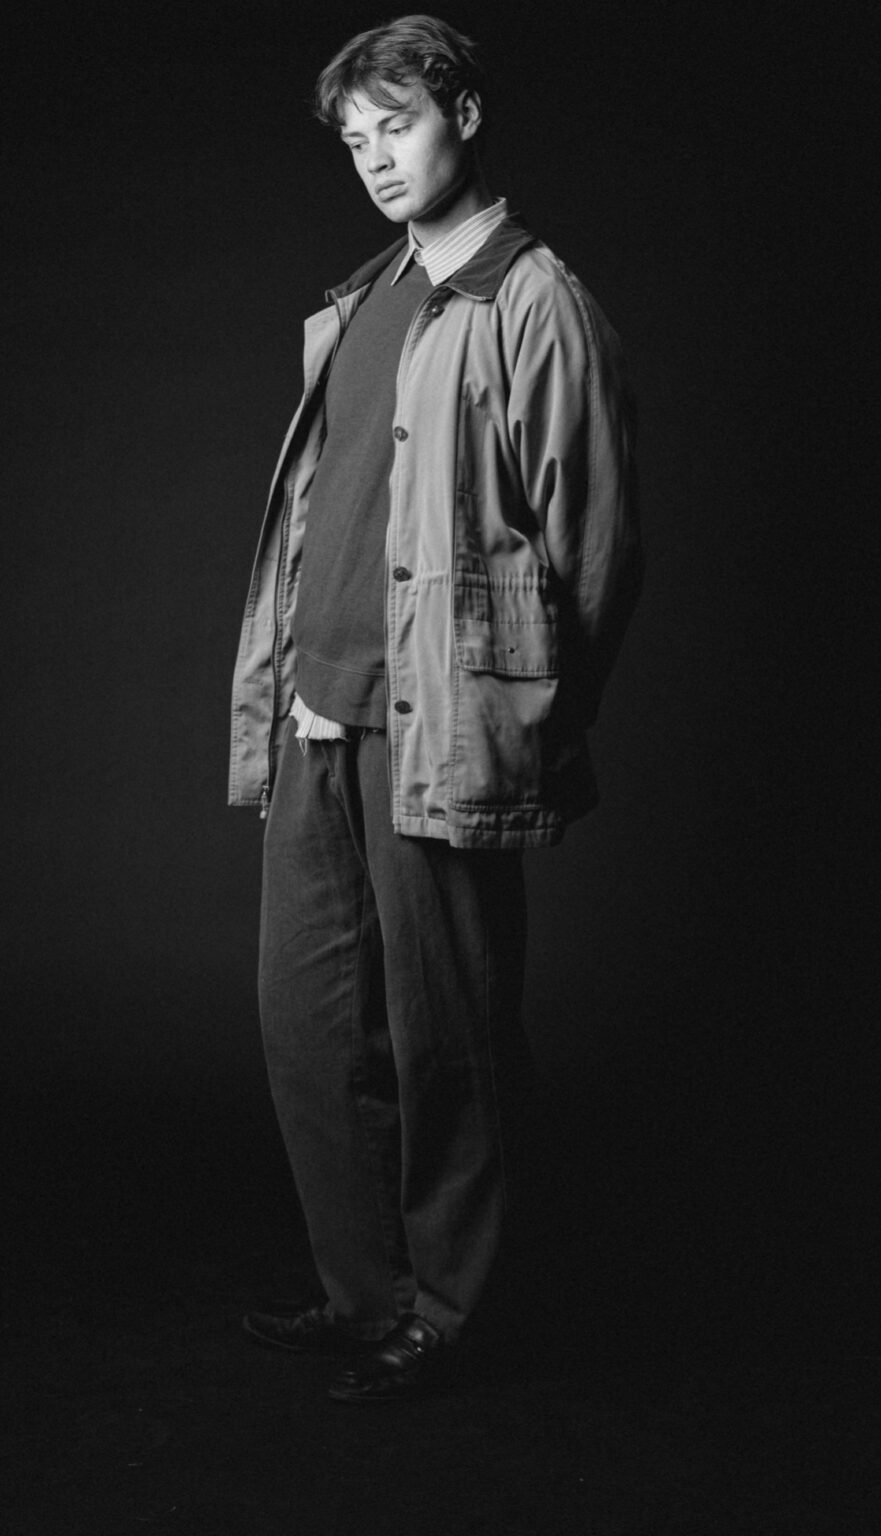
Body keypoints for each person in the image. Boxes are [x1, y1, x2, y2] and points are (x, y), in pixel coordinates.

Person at [229, 14, 641, 1402]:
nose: (375, 159)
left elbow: (595, 547)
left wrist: (514, 718)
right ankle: (366, 1294)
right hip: (318, 717)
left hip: (438, 729)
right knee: (310, 1028)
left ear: (460, 114)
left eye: (395, 125)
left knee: (447, 1038)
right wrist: (298, 682)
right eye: (354, 140)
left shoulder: (533, 298)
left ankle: (458, 1316)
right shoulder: (362, 298)